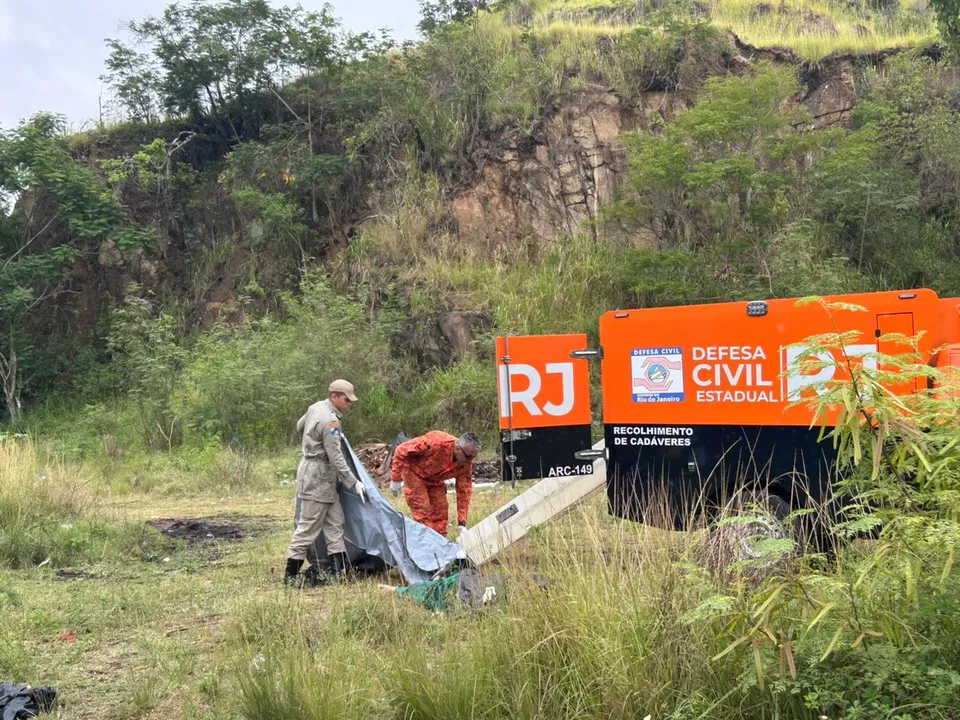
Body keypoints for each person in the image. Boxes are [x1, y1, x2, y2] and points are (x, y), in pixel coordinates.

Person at [283, 379, 368, 586]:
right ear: (335, 397)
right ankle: (290, 577)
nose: (350, 404)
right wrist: (353, 482)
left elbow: (298, 426)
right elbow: (335, 456)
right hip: (318, 476)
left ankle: (338, 572)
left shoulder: (315, 407)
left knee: (335, 524)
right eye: (347, 400)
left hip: (322, 477)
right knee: (308, 528)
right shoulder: (331, 422)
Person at [389, 431, 480, 537]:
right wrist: (396, 479)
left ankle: (440, 545)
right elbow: (401, 450)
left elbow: (464, 491)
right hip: (414, 473)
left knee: (440, 513)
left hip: (435, 480)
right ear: (458, 448)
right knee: (423, 511)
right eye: (468, 457)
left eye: (472, 458)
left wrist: (462, 523)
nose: (470, 461)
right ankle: (426, 545)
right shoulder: (436, 442)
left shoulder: (465, 464)